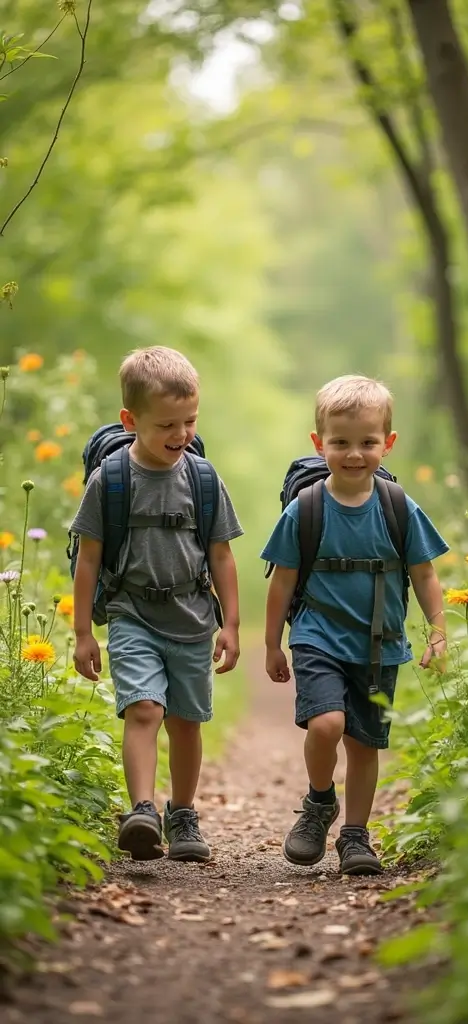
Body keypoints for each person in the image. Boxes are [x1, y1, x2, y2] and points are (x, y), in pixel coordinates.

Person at [261, 374, 448, 875]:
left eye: (367, 442)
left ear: (387, 443)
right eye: (340, 442)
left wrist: (438, 630)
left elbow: (425, 573)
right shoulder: (307, 508)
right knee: (327, 724)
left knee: (365, 745)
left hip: (377, 644)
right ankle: (320, 801)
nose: (353, 454)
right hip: (317, 634)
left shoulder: (397, 507)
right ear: (318, 442)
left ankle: (355, 837)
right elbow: (281, 582)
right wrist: (273, 644)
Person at [71, 346, 242, 862]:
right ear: (130, 420)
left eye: (189, 421)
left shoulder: (203, 478)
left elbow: (221, 555)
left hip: (191, 619)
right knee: (144, 710)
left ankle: (183, 813)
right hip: (132, 615)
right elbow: (89, 558)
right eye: (167, 424)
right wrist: (83, 632)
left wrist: (231, 623)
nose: (181, 434)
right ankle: (143, 810)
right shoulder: (112, 480)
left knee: (186, 722)